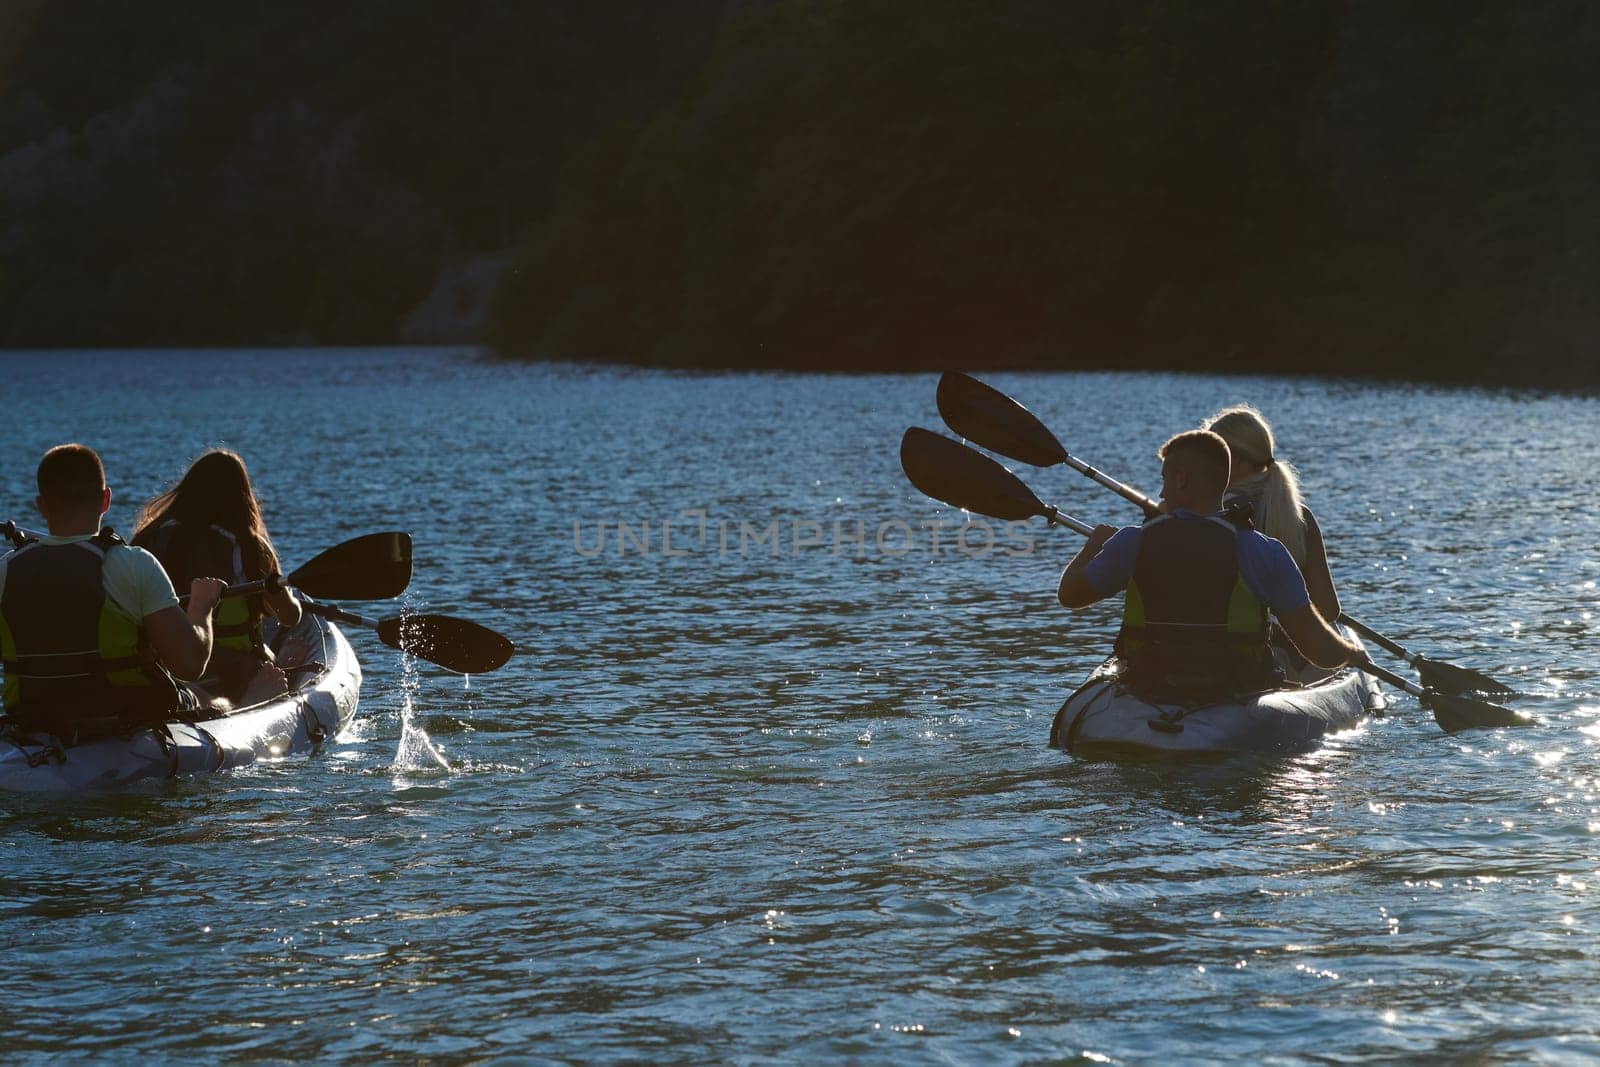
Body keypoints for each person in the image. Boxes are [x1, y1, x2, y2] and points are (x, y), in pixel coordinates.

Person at [1057, 429, 1362, 703]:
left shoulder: (1131, 542)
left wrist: (1094, 544)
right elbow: (1319, 651)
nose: (1161, 493)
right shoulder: (1263, 551)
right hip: (1233, 695)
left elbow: (1069, 595)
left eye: (1164, 480)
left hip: (1148, 691)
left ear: (1181, 479)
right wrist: (1351, 654)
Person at [0, 444, 227, 742]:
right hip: (121, 720)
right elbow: (189, 664)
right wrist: (201, 607)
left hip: (32, 721)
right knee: (215, 701)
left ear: (41, 505)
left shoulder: (6, 570)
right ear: (106, 499)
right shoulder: (132, 564)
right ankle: (262, 691)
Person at [133, 449, 300, 706]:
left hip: (163, 662)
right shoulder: (250, 547)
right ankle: (250, 698)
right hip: (233, 668)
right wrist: (284, 595)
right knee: (287, 656)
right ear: (241, 497)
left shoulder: (148, 539)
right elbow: (289, 617)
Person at [1203, 404, 1340, 624]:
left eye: (1209, 456)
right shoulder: (1302, 516)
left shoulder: (1212, 516)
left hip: (1237, 646)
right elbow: (1329, 610)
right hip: (1294, 646)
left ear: (1233, 461)